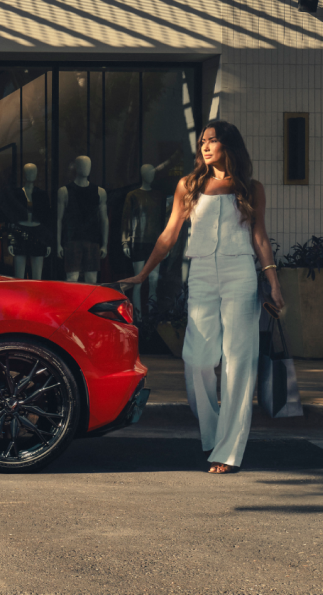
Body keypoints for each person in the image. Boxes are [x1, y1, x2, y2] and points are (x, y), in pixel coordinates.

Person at [118, 120, 284, 474]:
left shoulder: (251, 188)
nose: (205, 147)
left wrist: (273, 281)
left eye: (213, 140)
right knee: (197, 358)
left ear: (229, 145)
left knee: (239, 360)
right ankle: (211, 435)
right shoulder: (189, 185)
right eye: (203, 142)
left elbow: (260, 238)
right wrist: (143, 273)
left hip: (240, 272)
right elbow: (168, 235)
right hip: (203, 274)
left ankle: (228, 450)